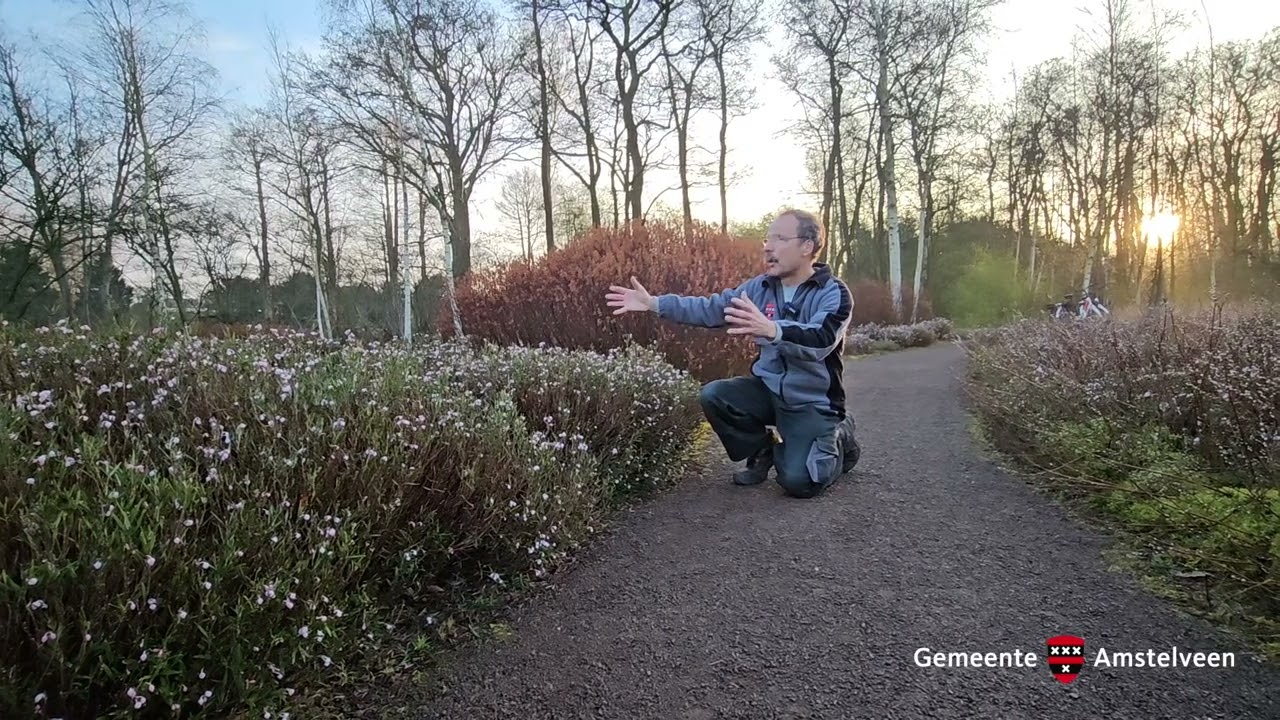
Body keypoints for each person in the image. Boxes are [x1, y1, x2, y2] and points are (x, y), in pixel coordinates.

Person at [604, 209, 859, 499]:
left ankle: (841, 433)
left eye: (779, 239)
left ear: (807, 246)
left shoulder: (832, 292)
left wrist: (773, 329)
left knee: (799, 482)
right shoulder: (758, 288)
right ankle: (762, 449)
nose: (767, 246)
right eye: (767, 239)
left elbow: (821, 339)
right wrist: (654, 303)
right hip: (768, 391)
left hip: (811, 404)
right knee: (715, 395)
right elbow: (710, 308)